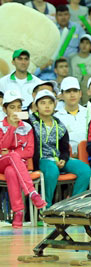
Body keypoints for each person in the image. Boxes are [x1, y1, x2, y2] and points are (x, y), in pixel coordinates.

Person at [30, 89, 91, 206]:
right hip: (42, 159)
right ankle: (45, 206)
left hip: (58, 159)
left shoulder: (60, 125)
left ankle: (73, 203)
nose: (47, 106)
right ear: (36, 106)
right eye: (43, 103)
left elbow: (64, 148)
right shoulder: (30, 123)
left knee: (85, 170)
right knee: (52, 171)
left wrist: (63, 159)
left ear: (54, 105)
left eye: (50, 103)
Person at [0, 93, 45, 226]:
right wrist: (12, 128)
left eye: (19, 107)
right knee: (12, 158)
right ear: (5, 109)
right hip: (1, 162)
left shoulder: (27, 127)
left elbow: (30, 152)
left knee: (11, 172)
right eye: (12, 107)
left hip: (18, 166)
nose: (16, 111)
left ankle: (18, 215)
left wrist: (12, 152)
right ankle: (31, 192)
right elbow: (2, 148)